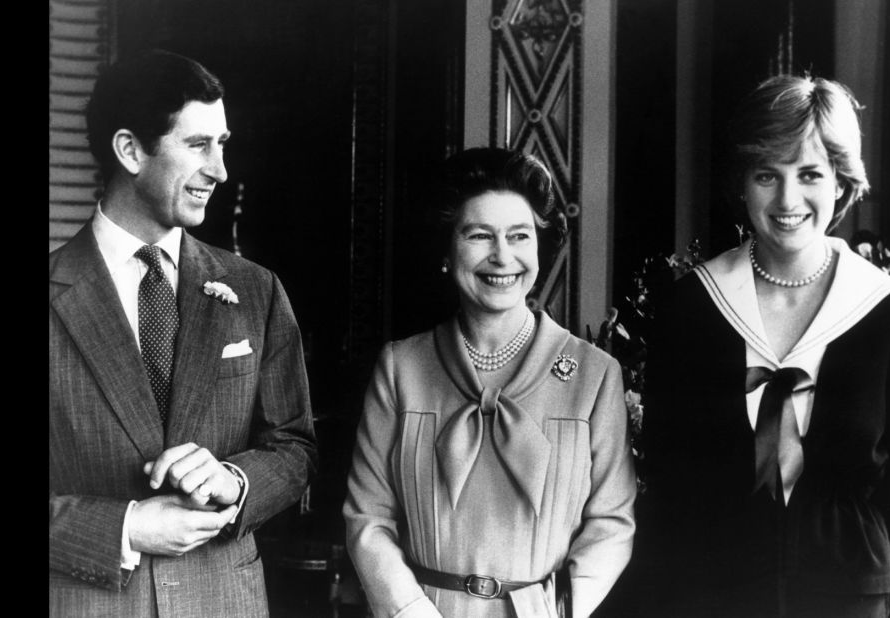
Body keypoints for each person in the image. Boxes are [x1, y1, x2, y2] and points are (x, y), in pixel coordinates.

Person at [49, 49, 318, 616]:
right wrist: (125, 527)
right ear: (130, 150)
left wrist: (236, 481)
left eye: (222, 144)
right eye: (198, 145)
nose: (220, 170)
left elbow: (295, 450)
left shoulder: (256, 290)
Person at [643, 74, 890, 617]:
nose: (788, 199)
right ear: (742, 184)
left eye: (810, 174)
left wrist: (875, 590)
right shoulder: (691, 307)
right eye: (766, 174)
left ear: (841, 182)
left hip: (847, 593)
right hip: (708, 590)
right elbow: (667, 478)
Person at [343, 147, 636, 618]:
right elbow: (367, 517)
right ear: (446, 250)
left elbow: (612, 524)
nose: (502, 257)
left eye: (519, 236)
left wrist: (559, 611)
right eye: (479, 235)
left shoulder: (595, 375)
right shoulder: (401, 368)